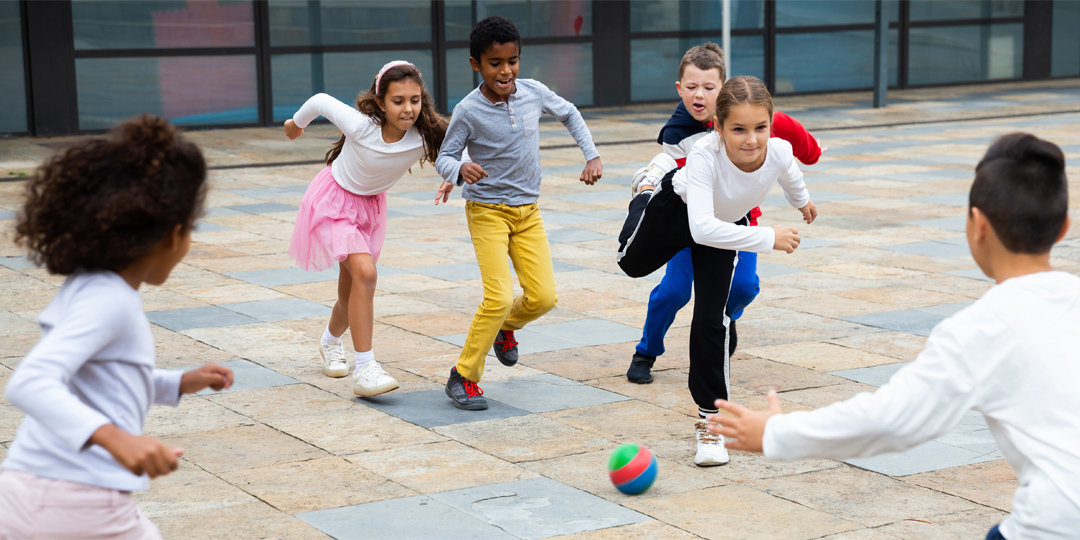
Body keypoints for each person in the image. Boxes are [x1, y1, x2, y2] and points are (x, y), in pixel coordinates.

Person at [709, 133, 1078, 540]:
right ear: (1063, 227)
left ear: (978, 226)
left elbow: (892, 421)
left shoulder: (982, 329)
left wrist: (777, 433)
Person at [0, 115, 235, 538]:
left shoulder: (92, 285)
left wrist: (175, 383)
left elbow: (102, 378)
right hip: (74, 498)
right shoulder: (110, 300)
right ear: (172, 235)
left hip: (33, 489)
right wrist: (116, 438)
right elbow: (30, 382)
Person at [616, 76, 817, 466]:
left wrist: (804, 203)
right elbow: (700, 227)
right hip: (676, 210)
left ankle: (711, 427)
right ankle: (645, 185)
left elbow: (792, 175)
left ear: (771, 125)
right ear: (719, 128)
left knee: (711, 321)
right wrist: (766, 235)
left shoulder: (777, 150)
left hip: (723, 231)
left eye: (760, 128)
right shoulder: (706, 154)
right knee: (630, 264)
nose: (750, 139)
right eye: (738, 129)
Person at [626, 42, 823, 385]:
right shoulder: (678, 133)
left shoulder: (760, 121)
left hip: (738, 219)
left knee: (745, 286)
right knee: (674, 292)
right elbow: (685, 190)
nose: (699, 95)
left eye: (709, 87)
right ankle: (646, 350)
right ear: (680, 89)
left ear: (724, 88)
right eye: (691, 87)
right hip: (692, 222)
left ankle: (725, 319)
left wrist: (808, 168)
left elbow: (792, 148)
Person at [434, 15, 603, 411]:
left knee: (543, 297)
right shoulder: (468, 110)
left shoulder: (534, 92)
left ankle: (505, 328)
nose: (506, 70)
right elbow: (445, 156)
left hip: (528, 213)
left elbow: (570, 114)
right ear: (476, 64)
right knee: (496, 296)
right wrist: (458, 169)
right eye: (495, 63)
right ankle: (464, 375)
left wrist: (591, 154)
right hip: (487, 211)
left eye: (513, 60)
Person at [285, 61, 447, 396]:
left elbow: (459, 145)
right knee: (366, 273)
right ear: (381, 102)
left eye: (415, 100)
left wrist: (452, 172)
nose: (408, 108)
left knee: (351, 292)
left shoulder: (424, 133)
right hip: (333, 202)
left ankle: (330, 342)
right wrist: (294, 124)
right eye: (398, 101)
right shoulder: (361, 126)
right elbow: (318, 100)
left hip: (369, 209)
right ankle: (366, 368)